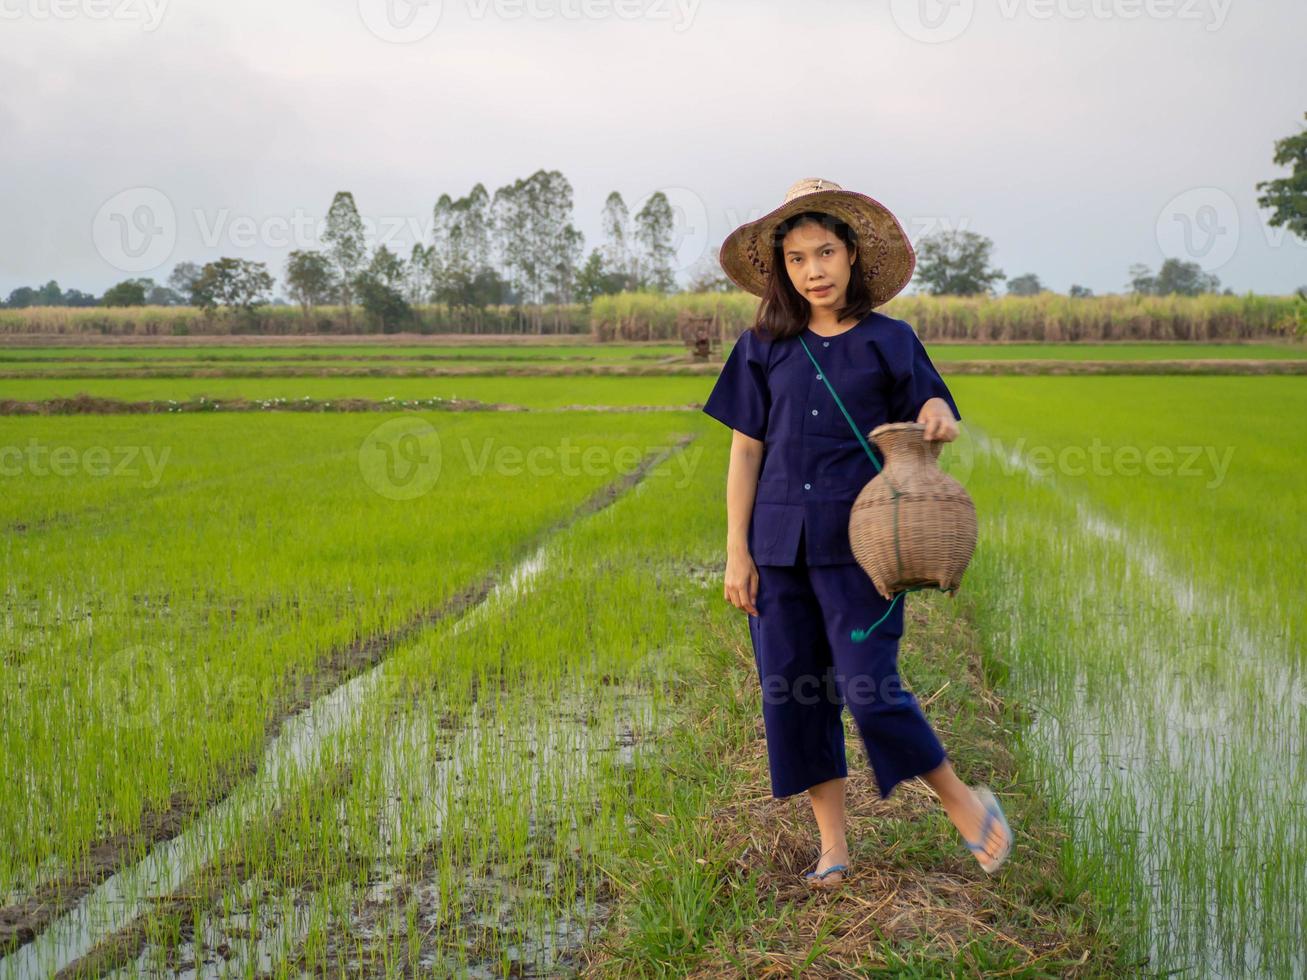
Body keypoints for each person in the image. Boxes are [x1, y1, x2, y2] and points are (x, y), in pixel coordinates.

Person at [702, 178, 1012, 888]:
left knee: (870, 690)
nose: (813, 270)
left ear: (851, 258)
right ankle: (833, 847)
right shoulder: (763, 346)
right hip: (777, 551)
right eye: (797, 259)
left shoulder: (889, 340)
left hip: (863, 549)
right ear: (781, 270)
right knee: (793, 694)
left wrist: (938, 414)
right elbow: (745, 450)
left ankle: (966, 806)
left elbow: (931, 401)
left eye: (825, 253)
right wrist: (736, 552)